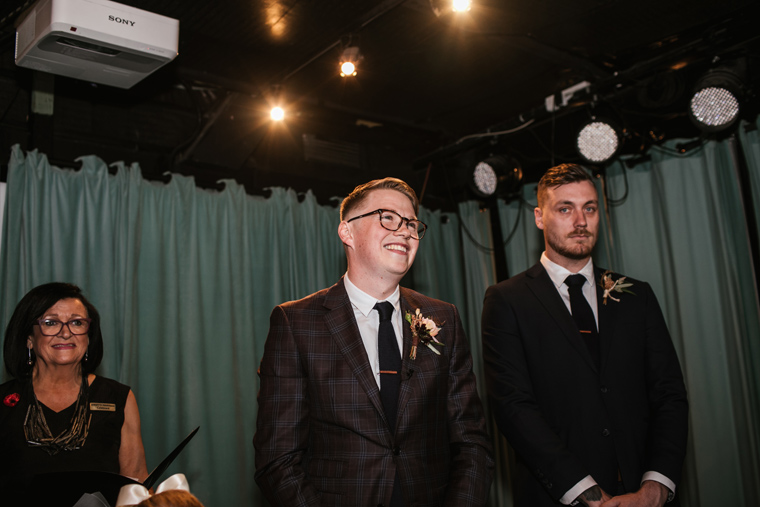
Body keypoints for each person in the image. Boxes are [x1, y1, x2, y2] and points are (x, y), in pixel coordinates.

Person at [254, 177, 494, 506]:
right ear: (347, 232)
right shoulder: (296, 322)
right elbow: (277, 459)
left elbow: (472, 442)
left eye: (411, 223)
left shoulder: (443, 318)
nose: (406, 231)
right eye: (388, 218)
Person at [481, 164, 688, 507]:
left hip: (643, 493)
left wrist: (656, 487)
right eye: (565, 208)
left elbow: (669, 395)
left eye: (589, 208)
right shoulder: (507, 299)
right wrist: (585, 492)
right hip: (558, 496)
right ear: (539, 217)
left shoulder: (637, 295)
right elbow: (513, 407)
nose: (581, 221)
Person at [0, 282, 148, 487]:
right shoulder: (3, 401)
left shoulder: (118, 398)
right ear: (29, 339)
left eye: (77, 323)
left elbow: (137, 484)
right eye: (51, 322)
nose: (66, 333)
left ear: (88, 337)